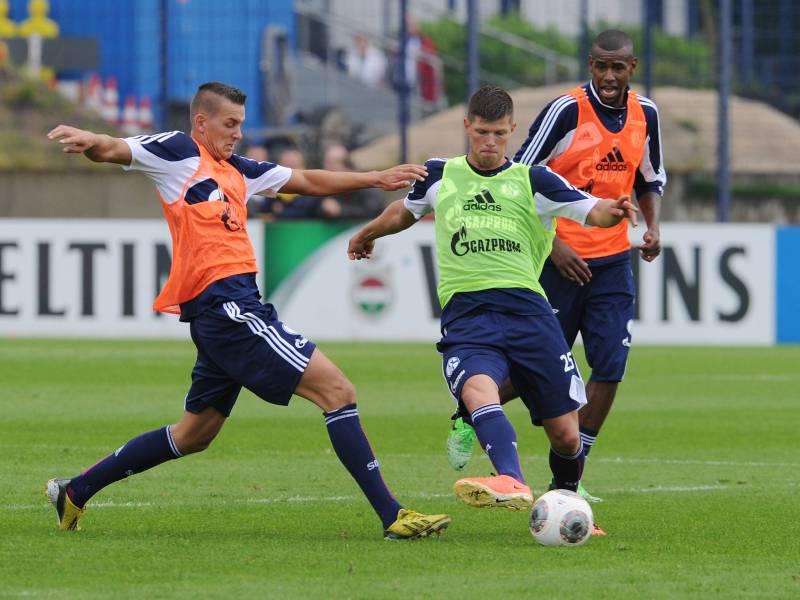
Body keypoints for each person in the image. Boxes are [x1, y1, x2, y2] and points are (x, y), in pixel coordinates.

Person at [44, 81, 450, 540]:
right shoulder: (178, 152)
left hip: (227, 311)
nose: (237, 133)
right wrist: (91, 141)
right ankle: (392, 515)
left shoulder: (237, 169)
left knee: (193, 434)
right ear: (201, 123)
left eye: (241, 124)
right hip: (228, 308)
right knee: (338, 390)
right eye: (229, 123)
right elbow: (118, 149)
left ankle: (76, 490)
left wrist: (375, 178)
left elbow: (308, 181)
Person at [347, 85, 638, 513]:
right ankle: (511, 478)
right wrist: (367, 233)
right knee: (478, 390)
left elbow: (592, 209)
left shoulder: (533, 180)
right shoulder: (440, 174)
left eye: (499, 134)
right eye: (482, 132)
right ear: (467, 127)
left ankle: (568, 505)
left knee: (566, 435)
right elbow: (404, 211)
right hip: (469, 314)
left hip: (529, 314)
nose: (489, 142)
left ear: (512, 131)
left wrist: (614, 209)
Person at [445, 30, 666, 524]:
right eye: (601, 67)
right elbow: (516, 178)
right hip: (556, 263)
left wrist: (652, 228)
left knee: (609, 366)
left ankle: (572, 473)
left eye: (619, 68)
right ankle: (467, 414)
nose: (609, 77)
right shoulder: (566, 111)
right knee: (532, 372)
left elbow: (649, 177)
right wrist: (556, 244)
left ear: (632, 67)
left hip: (611, 261)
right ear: (590, 65)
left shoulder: (645, 114)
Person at [319, 143, 387, 220]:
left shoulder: (368, 186)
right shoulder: (325, 188)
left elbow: (371, 212)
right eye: (326, 162)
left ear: (348, 165)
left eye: (333, 163)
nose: (328, 167)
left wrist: (341, 211)